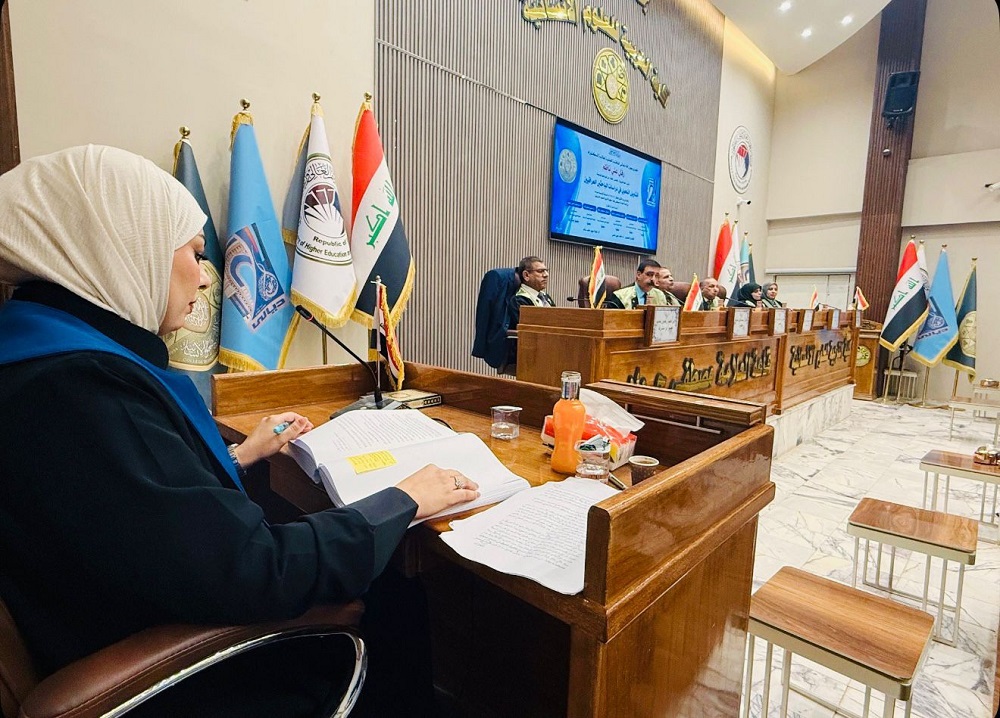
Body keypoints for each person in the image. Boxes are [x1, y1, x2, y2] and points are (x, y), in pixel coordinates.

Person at [0, 145, 481, 716]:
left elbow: (130, 509)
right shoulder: (83, 392)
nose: (207, 279)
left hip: (113, 611)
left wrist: (239, 456)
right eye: (194, 252)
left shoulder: (40, 362)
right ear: (126, 248)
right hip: (190, 679)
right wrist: (403, 498)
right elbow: (261, 569)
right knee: (394, 591)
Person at [508, 255, 554, 328]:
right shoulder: (519, 300)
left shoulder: (545, 297)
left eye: (546, 271)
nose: (546, 275)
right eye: (540, 271)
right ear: (526, 275)